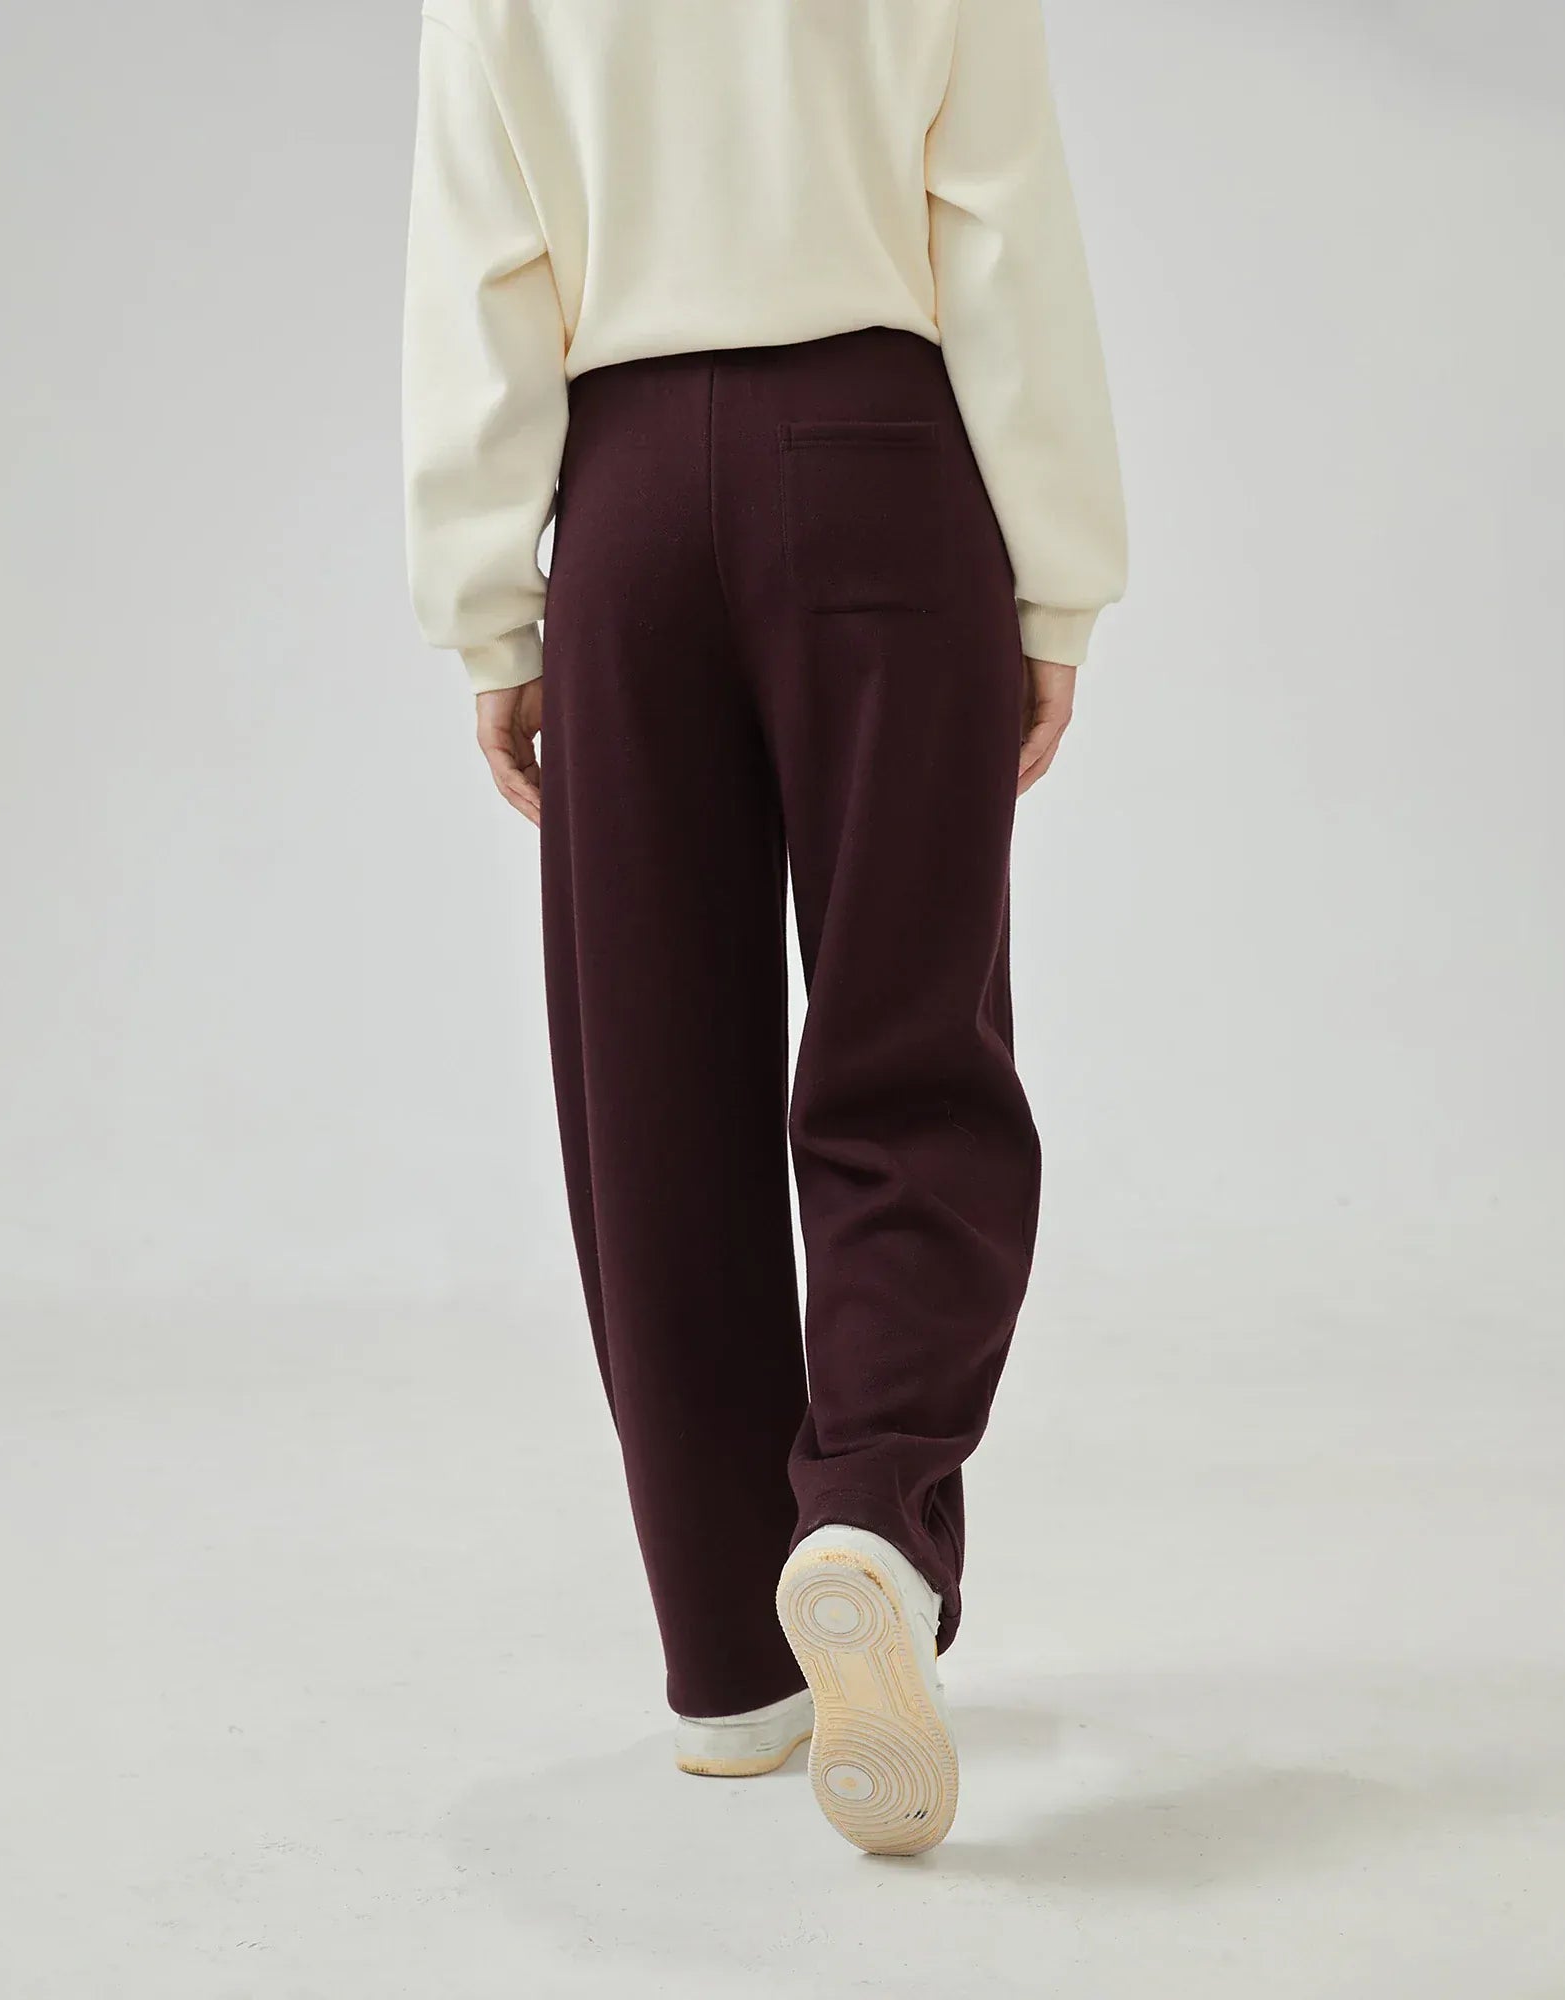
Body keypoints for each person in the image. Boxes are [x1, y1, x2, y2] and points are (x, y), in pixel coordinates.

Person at [402, 0, 1125, 1857]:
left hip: (628, 502)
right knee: (909, 1038)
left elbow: (483, 260)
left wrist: (491, 611)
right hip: (887, 473)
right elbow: (1000, 225)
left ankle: (734, 1665)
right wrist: (1057, 578)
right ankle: (868, 1516)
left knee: (649, 1088)